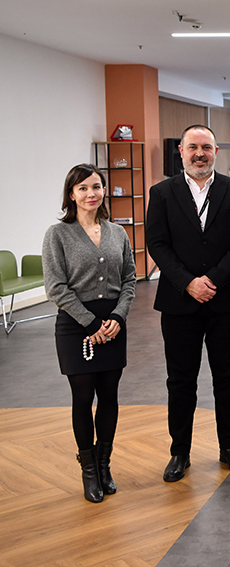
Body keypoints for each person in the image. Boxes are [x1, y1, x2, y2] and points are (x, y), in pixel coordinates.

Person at [146, 125, 230, 482]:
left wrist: (214, 279)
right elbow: (157, 243)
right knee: (180, 381)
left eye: (206, 147)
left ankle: (229, 446)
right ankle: (180, 452)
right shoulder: (161, 193)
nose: (199, 154)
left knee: (228, 378)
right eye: (192, 147)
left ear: (216, 151)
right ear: (181, 151)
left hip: (226, 301)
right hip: (179, 303)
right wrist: (188, 282)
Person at [42, 164, 136, 503]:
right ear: (71, 194)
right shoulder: (57, 234)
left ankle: (104, 464)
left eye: (96, 186)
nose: (90, 194)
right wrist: (91, 324)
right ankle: (89, 471)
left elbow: (129, 279)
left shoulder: (118, 232)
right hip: (75, 325)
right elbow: (55, 287)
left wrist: (118, 316)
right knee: (82, 398)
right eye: (82, 188)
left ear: (104, 191)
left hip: (113, 323)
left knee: (109, 396)